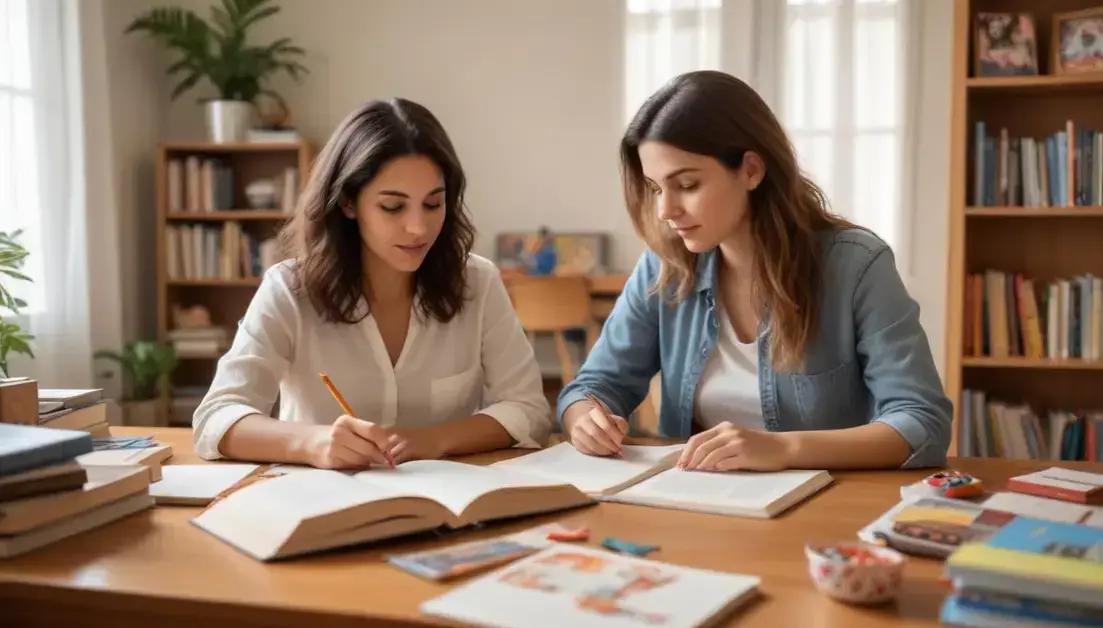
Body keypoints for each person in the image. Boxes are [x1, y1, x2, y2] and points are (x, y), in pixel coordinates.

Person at [558, 71, 951, 471]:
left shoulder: (856, 265)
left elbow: (921, 421)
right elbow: (592, 388)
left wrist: (783, 449)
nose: (665, 210)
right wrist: (586, 419)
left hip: (825, 507)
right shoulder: (664, 267)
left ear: (751, 170)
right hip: (696, 499)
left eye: (688, 184)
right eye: (656, 188)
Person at [192, 98, 550, 468]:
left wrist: (433, 439)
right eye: (393, 207)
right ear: (348, 202)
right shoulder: (289, 289)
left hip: (446, 507)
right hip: (319, 508)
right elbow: (215, 419)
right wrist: (312, 443)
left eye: (433, 204)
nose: (418, 228)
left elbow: (530, 411)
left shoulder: (477, 282)